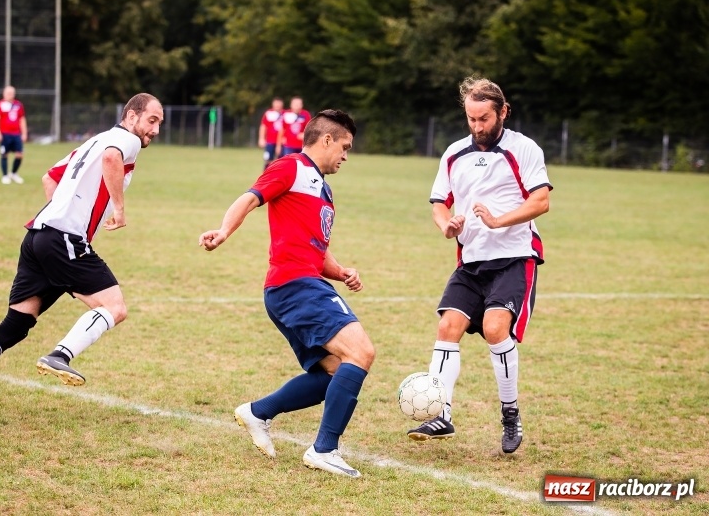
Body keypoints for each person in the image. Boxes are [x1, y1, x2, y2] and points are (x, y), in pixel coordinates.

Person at [0, 93, 164, 414]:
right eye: (151, 120)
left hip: (39, 236)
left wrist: (61, 214)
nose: (155, 130)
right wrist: (119, 210)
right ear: (131, 116)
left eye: (159, 123)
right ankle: (60, 355)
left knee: (17, 323)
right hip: (63, 238)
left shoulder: (92, 142)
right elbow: (112, 159)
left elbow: (50, 177)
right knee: (115, 307)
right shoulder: (127, 140)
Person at [199, 109, 375, 478]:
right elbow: (249, 198)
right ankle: (324, 450)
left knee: (335, 370)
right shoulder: (291, 167)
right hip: (295, 286)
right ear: (326, 139)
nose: (346, 156)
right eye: (345, 147)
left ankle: (258, 412)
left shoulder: (323, 189)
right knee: (360, 352)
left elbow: (317, 251)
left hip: (299, 284)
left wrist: (342, 272)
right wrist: (223, 231)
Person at [407, 76, 552, 454]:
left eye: (484, 118)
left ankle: (510, 413)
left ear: (503, 112)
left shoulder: (524, 149)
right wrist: (447, 225)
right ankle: (441, 414)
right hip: (471, 260)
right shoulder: (454, 153)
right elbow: (439, 203)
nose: (477, 126)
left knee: (494, 328)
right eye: (471, 119)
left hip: (514, 257)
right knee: (447, 326)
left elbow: (540, 201)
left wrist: (499, 221)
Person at [0, 85, 28, 184]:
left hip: (16, 134)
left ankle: (13, 173)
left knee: (19, 154)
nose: (10, 95)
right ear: (4, 94)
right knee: (4, 154)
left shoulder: (18, 105)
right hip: (4, 134)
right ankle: (5, 176)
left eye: (12, 93)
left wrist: (24, 133)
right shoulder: (0, 105)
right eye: (8, 93)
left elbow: (22, 119)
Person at [258, 97, 283, 170]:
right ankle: (266, 174)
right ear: (273, 104)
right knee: (268, 160)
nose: (277, 105)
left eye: (279, 104)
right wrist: (261, 138)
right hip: (270, 141)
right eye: (276, 103)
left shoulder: (285, 114)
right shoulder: (269, 113)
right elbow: (263, 126)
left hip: (281, 142)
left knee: (280, 161)